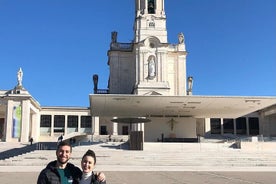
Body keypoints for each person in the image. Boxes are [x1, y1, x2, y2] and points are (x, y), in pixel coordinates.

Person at [37, 141, 105, 184]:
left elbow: (87, 175)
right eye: (61, 151)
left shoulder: (75, 172)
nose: (64, 154)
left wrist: (101, 175)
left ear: (70, 154)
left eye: (67, 152)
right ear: (56, 152)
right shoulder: (46, 173)